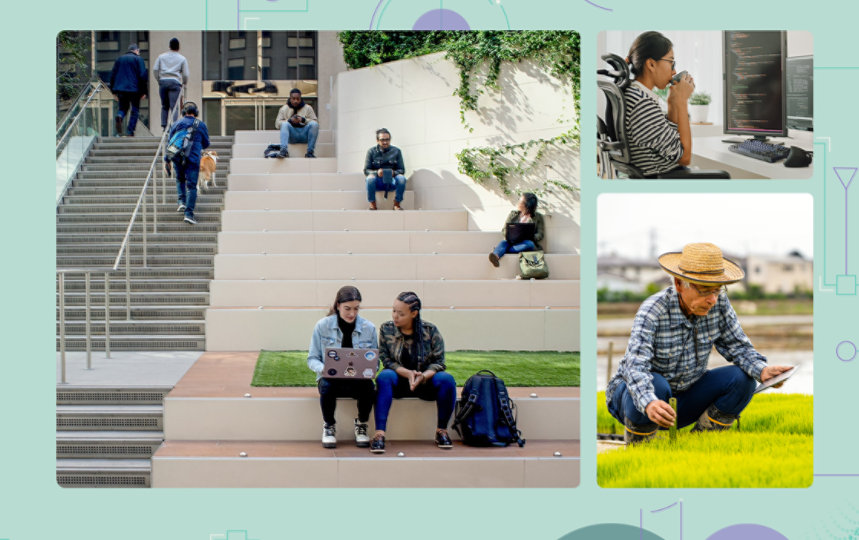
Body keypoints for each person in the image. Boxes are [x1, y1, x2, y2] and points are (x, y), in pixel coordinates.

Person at [605, 242, 795, 444]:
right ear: (679, 284)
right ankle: (640, 450)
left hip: (683, 397)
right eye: (705, 290)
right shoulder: (653, 311)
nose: (712, 299)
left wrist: (762, 371)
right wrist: (649, 402)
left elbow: (737, 345)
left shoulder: (718, 304)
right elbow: (635, 367)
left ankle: (699, 444)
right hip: (638, 399)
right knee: (657, 384)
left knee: (743, 379)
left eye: (717, 290)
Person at [370, 292, 457, 453]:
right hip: (399, 381)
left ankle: (441, 431)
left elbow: (439, 362)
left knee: (447, 380)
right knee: (384, 376)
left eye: (401, 313)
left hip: (425, 382)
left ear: (414, 313)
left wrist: (423, 376)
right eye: (394, 311)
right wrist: (408, 374)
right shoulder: (387, 329)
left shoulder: (430, 331)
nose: (395, 316)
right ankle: (379, 434)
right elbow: (386, 360)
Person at [307, 286, 378, 448]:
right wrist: (325, 369)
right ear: (338, 305)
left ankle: (361, 424)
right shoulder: (322, 326)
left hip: (357, 380)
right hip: (331, 378)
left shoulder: (369, 328)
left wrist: (369, 370)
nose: (352, 313)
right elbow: (312, 359)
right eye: (347, 308)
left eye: (356, 308)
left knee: (369, 386)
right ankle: (329, 426)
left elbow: (375, 361)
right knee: (326, 385)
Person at [624, 31, 695, 177]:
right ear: (651, 64)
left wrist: (672, 103)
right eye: (671, 62)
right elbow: (684, 158)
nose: (674, 70)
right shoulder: (642, 103)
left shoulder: (634, 94)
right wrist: (682, 102)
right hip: (663, 179)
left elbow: (669, 141)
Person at [164, 102, 209, 225]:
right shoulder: (201, 125)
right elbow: (206, 143)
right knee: (192, 186)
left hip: (177, 157)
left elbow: (170, 143)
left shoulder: (176, 124)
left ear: (184, 112)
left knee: (180, 179)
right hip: (193, 158)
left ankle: (181, 202)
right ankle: (188, 214)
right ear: (196, 113)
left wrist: (166, 160)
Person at [488, 192, 545, 267]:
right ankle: (495, 256)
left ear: (526, 205)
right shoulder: (513, 214)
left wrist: (530, 236)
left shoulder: (538, 217)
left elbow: (540, 234)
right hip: (512, 241)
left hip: (525, 243)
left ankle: (502, 250)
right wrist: (509, 234)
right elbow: (504, 229)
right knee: (504, 242)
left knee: (530, 244)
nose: (518, 203)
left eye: (520, 201)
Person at [109, 44, 148, 137]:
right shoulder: (139, 59)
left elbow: (113, 75)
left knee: (123, 108)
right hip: (134, 90)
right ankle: (130, 131)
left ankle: (120, 116)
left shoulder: (119, 59)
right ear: (137, 51)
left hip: (121, 89)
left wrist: (113, 91)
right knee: (135, 110)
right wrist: (144, 91)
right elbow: (143, 75)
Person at [364, 128, 406, 211]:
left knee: (401, 179)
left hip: (392, 180)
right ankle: (372, 203)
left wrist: (394, 173)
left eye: (387, 139)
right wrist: (377, 172)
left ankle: (397, 203)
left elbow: (402, 170)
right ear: (377, 140)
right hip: (378, 181)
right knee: (370, 179)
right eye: (382, 140)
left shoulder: (396, 151)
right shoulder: (371, 152)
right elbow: (366, 170)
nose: (385, 142)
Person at [153, 37, 189, 129]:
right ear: (178, 47)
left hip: (163, 81)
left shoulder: (161, 57)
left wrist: (159, 79)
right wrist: (184, 82)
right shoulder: (182, 59)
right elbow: (185, 74)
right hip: (175, 82)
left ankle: (164, 126)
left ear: (169, 46)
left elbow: (155, 69)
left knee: (164, 105)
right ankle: (174, 126)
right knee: (174, 107)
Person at [274, 88, 319, 158]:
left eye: (298, 99)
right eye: (293, 99)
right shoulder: (284, 108)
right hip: (292, 135)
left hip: (304, 134)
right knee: (284, 124)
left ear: (301, 99)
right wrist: (289, 121)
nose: (296, 101)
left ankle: (310, 152)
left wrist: (303, 120)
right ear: (290, 98)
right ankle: (283, 150)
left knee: (314, 124)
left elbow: (315, 123)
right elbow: (277, 124)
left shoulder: (308, 108)